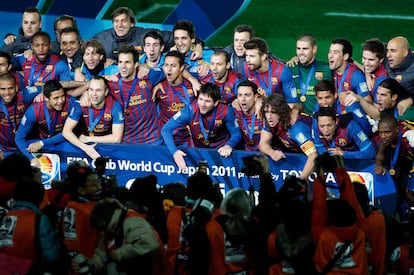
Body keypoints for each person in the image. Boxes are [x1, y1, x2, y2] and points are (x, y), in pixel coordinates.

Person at [161, 82, 241, 169]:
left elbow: (236, 134)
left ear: (215, 103)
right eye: (201, 99)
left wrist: (229, 145)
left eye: (207, 101)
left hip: (221, 152)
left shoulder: (226, 111)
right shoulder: (189, 110)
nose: (202, 104)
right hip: (199, 151)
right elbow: (166, 129)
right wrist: (174, 152)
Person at [312, 153, 368, 274]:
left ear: (330, 219)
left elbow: (319, 209)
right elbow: (353, 202)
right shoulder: (360, 233)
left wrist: (320, 177)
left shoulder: (324, 236)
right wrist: (341, 171)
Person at [93, 7, 203, 64]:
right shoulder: (101, 38)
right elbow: (84, 52)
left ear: (132, 23)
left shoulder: (146, 35)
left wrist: (198, 45)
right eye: (116, 21)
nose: (119, 25)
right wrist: (102, 61)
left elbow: (182, 37)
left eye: (123, 21)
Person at [0, 178, 64, 273]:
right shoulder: (40, 220)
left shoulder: (4, 216)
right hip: (29, 270)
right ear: (40, 197)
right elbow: (50, 255)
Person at [108, 45, 164, 144]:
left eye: (127, 62)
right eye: (120, 62)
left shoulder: (147, 75)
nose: (123, 66)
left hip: (152, 141)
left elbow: (171, 70)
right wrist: (86, 94)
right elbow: (94, 85)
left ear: (135, 65)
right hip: (127, 142)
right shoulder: (112, 82)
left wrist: (192, 80)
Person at [89, 198, 160, 274]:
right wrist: (94, 263)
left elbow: (149, 244)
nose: (101, 232)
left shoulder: (132, 221)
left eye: (101, 228)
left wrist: (119, 254)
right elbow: (102, 252)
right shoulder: (112, 228)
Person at [62, 76, 124, 159]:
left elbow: (116, 138)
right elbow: (66, 132)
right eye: (91, 89)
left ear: (106, 92)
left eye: (98, 90)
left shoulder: (114, 106)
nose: (94, 94)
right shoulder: (80, 104)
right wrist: (85, 148)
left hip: (108, 148)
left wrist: (89, 139)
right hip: (85, 148)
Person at [15, 80, 74, 167]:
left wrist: (42, 143)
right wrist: (31, 158)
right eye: (56, 98)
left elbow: (70, 133)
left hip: (65, 141)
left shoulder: (71, 104)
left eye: (62, 96)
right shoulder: (34, 111)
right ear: (46, 98)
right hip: (45, 142)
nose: (61, 101)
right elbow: (19, 137)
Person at [259, 94, 317, 179]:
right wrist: (271, 152)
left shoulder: (296, 128)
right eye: (266, 112)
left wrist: (301, 181)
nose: (269, 117)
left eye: (273, 112)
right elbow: (263, 143)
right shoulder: (269, 121)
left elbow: (313, 156)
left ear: (282, 112)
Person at [242, 38, 302, 121]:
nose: (247, 60)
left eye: (252, 56)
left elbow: (293, 103)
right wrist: (258, 99)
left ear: (263, 56)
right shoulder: (246, 68)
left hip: (280, 113)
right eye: (246, 55)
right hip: (259, 112)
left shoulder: (282, 71)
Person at [62, 161, 106, 273]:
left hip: (99, 263)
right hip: (86, 266)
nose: (99, 187)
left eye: (99, 183)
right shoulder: (73, 209)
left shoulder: (100, 204)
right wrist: (80, 262)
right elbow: (71, 244)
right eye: (94, 184)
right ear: (82, 190)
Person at [374, 115, 414, 219]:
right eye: (380, 132)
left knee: (410, 194)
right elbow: (380, 153)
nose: (383, 136)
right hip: (406, 158)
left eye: (387, 132)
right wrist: (379, 165)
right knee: (399, 188)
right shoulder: (386, 133)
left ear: (396, 130)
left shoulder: (409, 138)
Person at [154, 50, 196, 147]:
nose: (169, 69)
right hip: (166, 141)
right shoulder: (158, 87)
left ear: (182, 68)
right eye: (166, 65)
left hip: (188, 141)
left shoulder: (193, 86)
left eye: (173, 66)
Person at [288, 34, 332, 115]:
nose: (301, 52)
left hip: (320, 120)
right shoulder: (290, 67)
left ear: (314, 49)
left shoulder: (327, 69)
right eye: (298, 49)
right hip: (297, 119)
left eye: (305, 49)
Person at [0, 73, 40, 156]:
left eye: (10, 88)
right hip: (6, 149)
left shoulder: (24, 95)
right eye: (3, 89)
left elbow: (49, 89)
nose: (7, 92)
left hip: (27, 145)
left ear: (16, 88)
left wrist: (43, 94)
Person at [328, 38, 372, 113]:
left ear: (345, 56)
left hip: (351, 119)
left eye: (335, 53)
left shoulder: (355, 75)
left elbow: (369, 102)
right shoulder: (330, 71)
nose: (330, 56)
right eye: (329, 52)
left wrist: (355, 97)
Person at [385, 36, 414, 116]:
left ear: (405, 53)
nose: (388, 55)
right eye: (387, 50)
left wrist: (411, 100)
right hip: (393, 101)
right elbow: (372, 48)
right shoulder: (387, 59)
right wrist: (367, 73)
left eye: (393, 51)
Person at [233, 80, 263, 151]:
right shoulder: (234, 113)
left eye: (247, 95)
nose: (243, 99)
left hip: (267, 155)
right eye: (240, 95)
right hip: (245, 155)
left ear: (255, 97)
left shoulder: (264, 113)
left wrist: (261, 100)